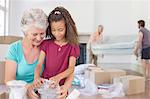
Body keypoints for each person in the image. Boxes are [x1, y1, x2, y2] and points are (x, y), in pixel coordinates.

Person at [34, 6, 80, 99]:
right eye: (53, 30)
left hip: (61, 88)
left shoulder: (72, 46)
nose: (57, 33)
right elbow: (39, 64)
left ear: (67, 27)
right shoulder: (46, 44)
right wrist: (36, 77)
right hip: (45, 86)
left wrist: (58, 78)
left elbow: (71, 68)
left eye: (60, 30)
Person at [5, 8, 48, 99]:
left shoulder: (47, 47)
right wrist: (27, 88)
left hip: (41, 93)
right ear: (25, 32)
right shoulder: (14, 49)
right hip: (19, 93)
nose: (39, 38)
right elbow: (9, 80)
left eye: (42, 33)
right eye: (34, 34)